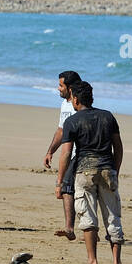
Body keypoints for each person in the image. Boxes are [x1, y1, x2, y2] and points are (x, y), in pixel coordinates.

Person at [55, 82, 126, 264]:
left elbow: (66, 153)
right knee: (113, 217)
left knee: (88, 217)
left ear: (75, 99)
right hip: (107, 170)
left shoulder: (73, 121)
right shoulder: (107, 116)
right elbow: (118, 148)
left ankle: (93, 262)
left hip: (84, 172)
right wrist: (115, 170)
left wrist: (60, 182)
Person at [42, 70, 82, 241]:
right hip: (68, 152)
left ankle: (76, 229)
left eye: (61, 85)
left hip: (79, 154)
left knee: (70, 190)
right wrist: (50, 151)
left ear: (70, 88)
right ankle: (72, 228)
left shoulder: (79, 105)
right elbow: (61, 130)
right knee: (69, 191)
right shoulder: (65, 105)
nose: (58, 88)